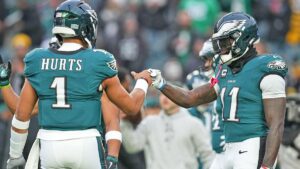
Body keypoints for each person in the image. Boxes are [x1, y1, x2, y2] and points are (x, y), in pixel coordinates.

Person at [5, 1, 152, 169]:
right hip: (85, 142)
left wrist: (15, 156)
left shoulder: (37, 59)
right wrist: (143, 81)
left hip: (50, 144)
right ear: (86, 26)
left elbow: (21, 116)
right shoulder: (99, 60)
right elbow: (131, 107)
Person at [145, 12, 287, 169]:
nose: (222, 47)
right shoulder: (224, 70)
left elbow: (276, 124)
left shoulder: (266, 68)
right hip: (227, 149)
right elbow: (189, 98)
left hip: (252, 146)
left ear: (244, 37)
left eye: (227, 40)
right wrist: (160, 82)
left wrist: (267, 166)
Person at [120, 89, 215, 169]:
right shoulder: (150, 122)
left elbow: (208, 155)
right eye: (162, 95)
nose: (165, 98)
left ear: (181, 98)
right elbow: (132, 146)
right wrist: (124, 121)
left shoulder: (194, 123)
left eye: (170, 95)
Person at [186, 39, 225, 169]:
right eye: (205, 60)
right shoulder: (189, 115)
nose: (206, 65)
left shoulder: (230, 84)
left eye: (210, 59)